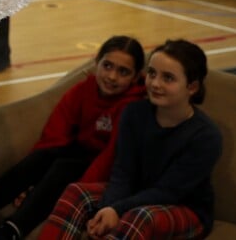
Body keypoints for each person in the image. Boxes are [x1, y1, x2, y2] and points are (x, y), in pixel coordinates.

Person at [0, 36, 146, 240]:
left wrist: (77, 192)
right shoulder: (83, 90)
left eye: (123, 72)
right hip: (77, 156)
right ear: (97, 62)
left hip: (106, 172)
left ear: (136, 77)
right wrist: (31, 182)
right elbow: (55, 134)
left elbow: (110, 157)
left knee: (64, 167)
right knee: (45, 156)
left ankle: (12, 230)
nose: (112, 76)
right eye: (107, 66)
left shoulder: (133, 109)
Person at [40, 39, 223, 240]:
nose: (155, 83)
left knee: (140, 216)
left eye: (168, 78)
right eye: (152, 73)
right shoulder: (134, 113)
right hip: (136, 194)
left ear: (192, 87)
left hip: (185, 207)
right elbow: (122, 172)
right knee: (76, 192)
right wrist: (106, 209)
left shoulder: (206, 136)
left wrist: (117, 210)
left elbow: (169, 191)